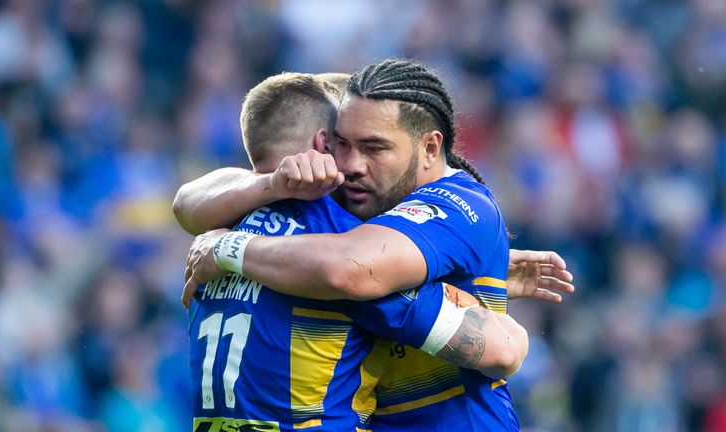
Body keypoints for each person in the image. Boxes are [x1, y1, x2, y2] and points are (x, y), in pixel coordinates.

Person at [179, 60, 573, 431]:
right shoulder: (322, 255)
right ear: (324, 144)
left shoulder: (458, 204)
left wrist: (226, 246)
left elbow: (350, 267)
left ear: (431, 149)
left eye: (374, 147)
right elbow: (503, 348)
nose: (352, 164)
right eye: (344, 144)